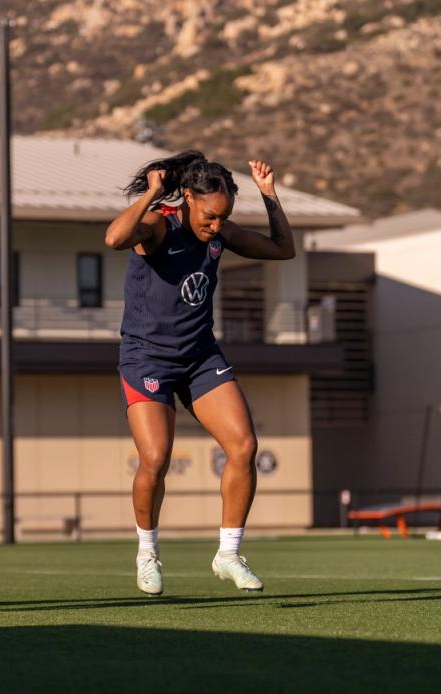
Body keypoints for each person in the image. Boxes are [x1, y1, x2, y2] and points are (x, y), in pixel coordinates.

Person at [105, 151, 294, 596]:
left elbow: (283, 250)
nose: (215, 226)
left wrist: (269, 195)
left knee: (244, 446)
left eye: (223, 217)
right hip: (147, 357)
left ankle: (228, 554)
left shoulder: (219, 233)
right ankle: (147, 552)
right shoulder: (158, 225)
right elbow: (114, 237)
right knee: (155, 459)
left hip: (199, 356)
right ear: (188, 197)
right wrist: (151, 193)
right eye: (210, 216)